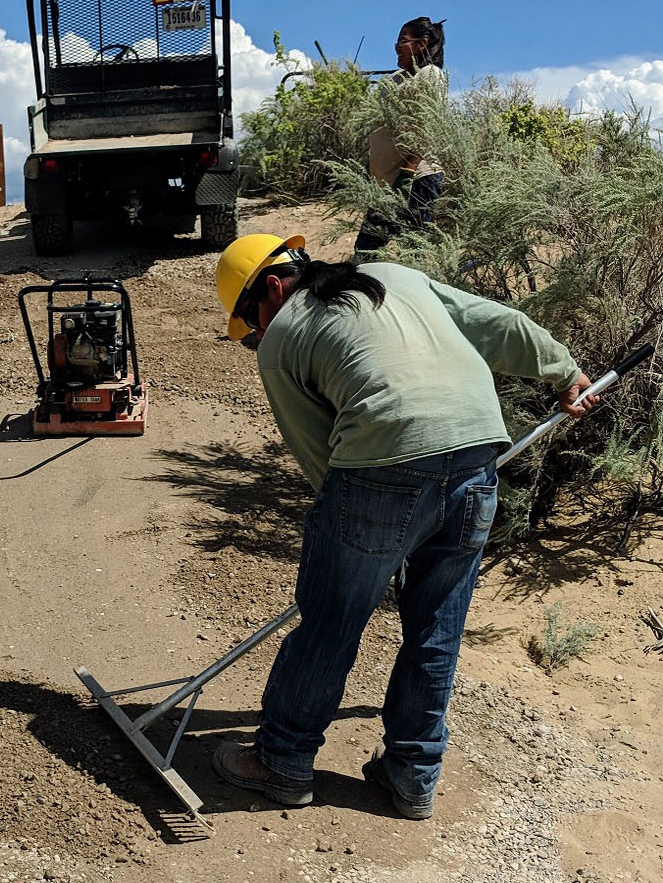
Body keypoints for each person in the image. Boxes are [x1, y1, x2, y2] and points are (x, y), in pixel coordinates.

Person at [211, 234, 597, 817]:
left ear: (270, 288)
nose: (257, 338)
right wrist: (564, 373)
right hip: (476, 457)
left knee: (330, 623)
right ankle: (412, 776)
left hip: (377, 472)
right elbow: (497, 324)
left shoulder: (284, 339)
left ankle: (281, 762)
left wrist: (364, 545)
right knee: (436, 626)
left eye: (252, 325)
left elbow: (319, 457)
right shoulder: (397, 276)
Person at [354, 16, 446, 253]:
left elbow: (426, 125)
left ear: (422, 44)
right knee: (366, 251)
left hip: (415, 179)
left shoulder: (430, 74)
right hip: (386, 185)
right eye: (396, 42)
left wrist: (407, 173)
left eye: (402, 42)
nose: (396, 48)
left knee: (415, 249)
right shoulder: (397, 78)